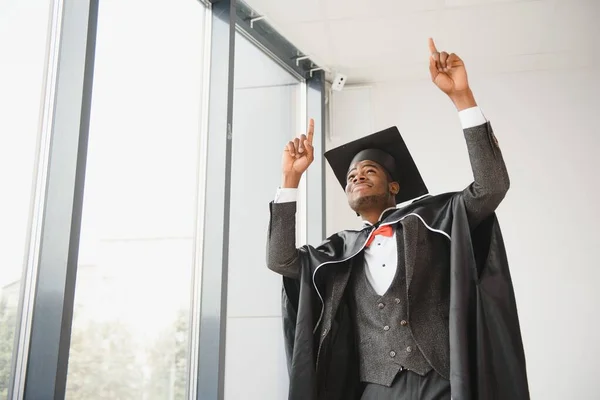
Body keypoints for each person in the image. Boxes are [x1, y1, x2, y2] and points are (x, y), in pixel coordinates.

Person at [266, 39, 529, 400]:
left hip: (442, 382)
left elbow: (492, 186)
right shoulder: (339, 251)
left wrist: (462, 98)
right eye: (350, 176)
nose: (356, 176)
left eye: (368, 170)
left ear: (393, 185)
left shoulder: (436, 219)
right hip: (375, 389)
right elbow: (280, 259)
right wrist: (290, 180)